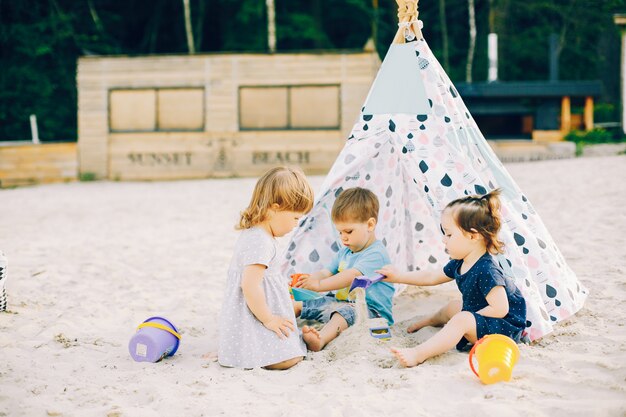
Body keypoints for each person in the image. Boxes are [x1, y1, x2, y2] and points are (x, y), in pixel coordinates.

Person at [377, 189, 526, 367]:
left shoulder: (487, 270)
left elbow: (500, 308)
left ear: (473, 235)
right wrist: (398, 276)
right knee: (452, 307)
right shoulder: (460, 262)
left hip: (502, 330)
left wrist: (467, 317)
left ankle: (418, 354)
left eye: (449, 234)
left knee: (460, 318)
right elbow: (431, 276)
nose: (443, 240)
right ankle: (432, 320)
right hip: (484, 318)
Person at [217, 166, 314, 370]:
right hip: (256, 315)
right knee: (290, 358)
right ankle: (247, 353)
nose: (296, 225)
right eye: (295, 218)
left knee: (292, 348)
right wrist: (269, 319)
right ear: (275, 208)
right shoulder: (259, 240)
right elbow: (250, 285)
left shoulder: (260, 235)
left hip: (259, 311)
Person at [293, 187, 394, 352]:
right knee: (302, 304)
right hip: (340, 302)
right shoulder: (345, 251)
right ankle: (277, 321)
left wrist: (319, 286)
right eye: (340, 232)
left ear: (370, 224)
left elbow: (351, 276)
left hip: (370, 311)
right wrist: (310, 280)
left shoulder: (376, 254)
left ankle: (321, 339)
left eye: (348, 231)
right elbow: (327, 272)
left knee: (342, 315)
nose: (343, 237)